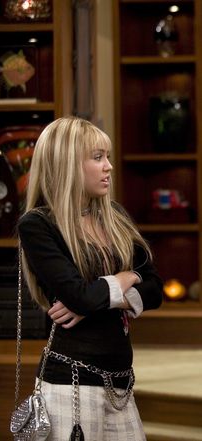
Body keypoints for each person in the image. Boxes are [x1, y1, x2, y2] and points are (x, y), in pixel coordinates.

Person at [18, 116, 163, 441]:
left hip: (121, 384)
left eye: (107, 156)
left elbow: (155, 290)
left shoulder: (116, 218)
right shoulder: (38, 225)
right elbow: (79, 296)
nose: (108, 166)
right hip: (69, 384)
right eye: (97, 158)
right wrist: (125, 282)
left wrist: (112, 287)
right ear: (67, 164)